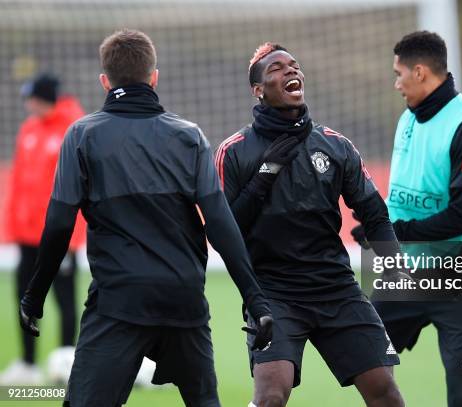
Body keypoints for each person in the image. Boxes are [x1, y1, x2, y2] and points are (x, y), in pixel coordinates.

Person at [18, 29, 273, 407]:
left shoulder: (81, 136)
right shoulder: (189, 136)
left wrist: (34, 296)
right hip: (183, 301)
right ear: (154, 76)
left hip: (119, 304)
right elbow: (220, 223)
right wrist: (257, 300)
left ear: (105, 81)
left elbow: (58, 225)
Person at [216, 42, 405, 407]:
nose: (290, 71)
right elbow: (227, 232)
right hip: (273, 292)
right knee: (271, 394)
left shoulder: (336, 146)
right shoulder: (235, 150)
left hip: (335, 287)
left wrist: (394, 265)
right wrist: (264, 177)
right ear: (258, 91)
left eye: (294, 66)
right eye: (276, 69)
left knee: (385, 391)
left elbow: (374, 213)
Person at [352, 31, 462, 407]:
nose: (396, 82)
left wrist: (394, 231)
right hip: (405, 272)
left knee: (461, 393)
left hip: (461, 276)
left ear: (420, 72)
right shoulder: (408, 119)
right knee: (368, 361)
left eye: (399, 73)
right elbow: (405, 194)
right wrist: (376, 227)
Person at [0, 73, 86, 385]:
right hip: (26, 235)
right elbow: (20, 182)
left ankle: (67, 363)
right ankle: (28, 364)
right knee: (24, 298)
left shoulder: (73, 128)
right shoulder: (28, 130)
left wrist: (72, 236)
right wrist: (12, 224)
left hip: (58, 235)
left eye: (32, 97)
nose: (27, 104)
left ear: (45, 98)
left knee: (65, 300)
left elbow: (78, 188)